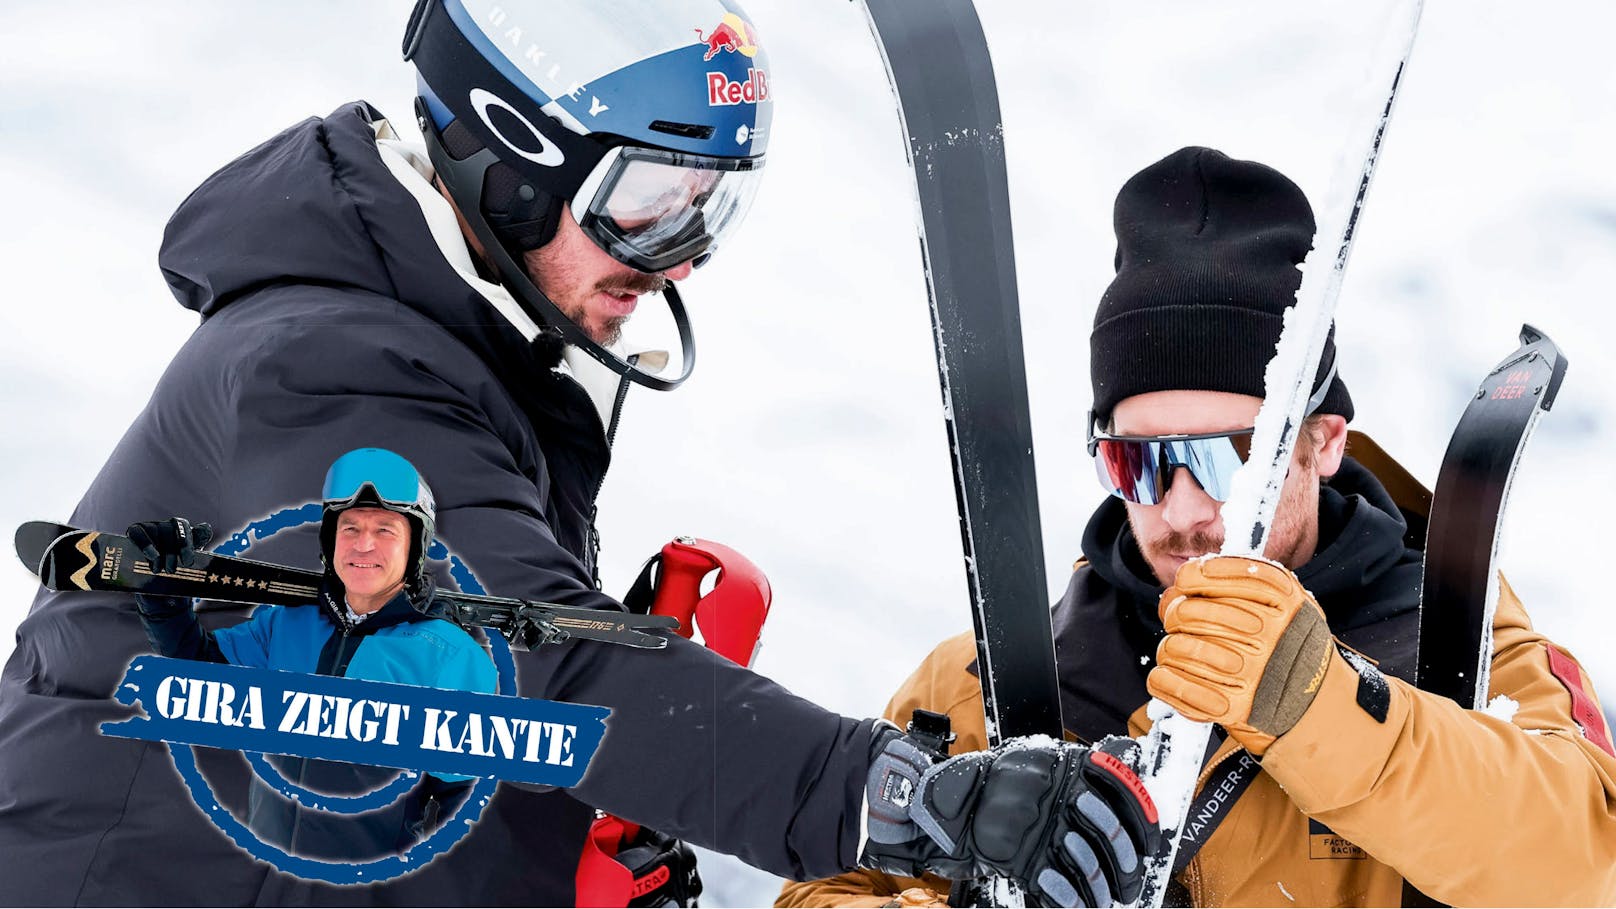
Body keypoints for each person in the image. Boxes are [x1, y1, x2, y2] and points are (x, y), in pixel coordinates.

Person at [0, 1, 1157, 905]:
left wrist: (555, 852)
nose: (678, 258)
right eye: (648, 199)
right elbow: (529, 661)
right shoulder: (330, 367)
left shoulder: (460, 359)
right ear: (511, 151)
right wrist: (891, 800)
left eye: (708, 206)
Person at [779, 147, 1616, 908]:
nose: (1181, 511)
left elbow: (1587, 866)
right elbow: (819, 890)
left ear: (1322, 441)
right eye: (1137, 463)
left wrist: (1320, 707)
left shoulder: (1462, 648)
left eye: (1225, 461)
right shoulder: (988, 680)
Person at [127, 447, 498, 859]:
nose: (363, 546)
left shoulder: (450, 656)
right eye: (350, 529)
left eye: (386, 531)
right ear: (329, 540)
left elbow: (465, 805)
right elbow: (199, 669)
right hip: (264, 871)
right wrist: (163, 593)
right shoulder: (285, 623)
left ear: (415, 546)